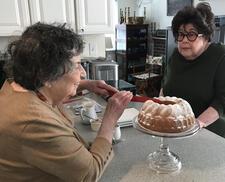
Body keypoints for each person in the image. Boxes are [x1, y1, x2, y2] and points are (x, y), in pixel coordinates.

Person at [0, 22, 133, 181]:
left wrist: (86, 85)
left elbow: (43, 90)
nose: (83, 73)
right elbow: (89, 173)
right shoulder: (33, 122)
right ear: (47, 75)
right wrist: (110, 119)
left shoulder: (15, 86)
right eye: (77, 65)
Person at [161, 2, 225, 137]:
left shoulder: (220, 56)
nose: (183, 40)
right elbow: (164, 89)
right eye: (180, 34)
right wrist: (160, 111)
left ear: (206, 37)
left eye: (191, 34)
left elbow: (222, 102)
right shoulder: (176, 55)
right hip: (175, 131)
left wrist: (196, 124)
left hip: (210, 135)